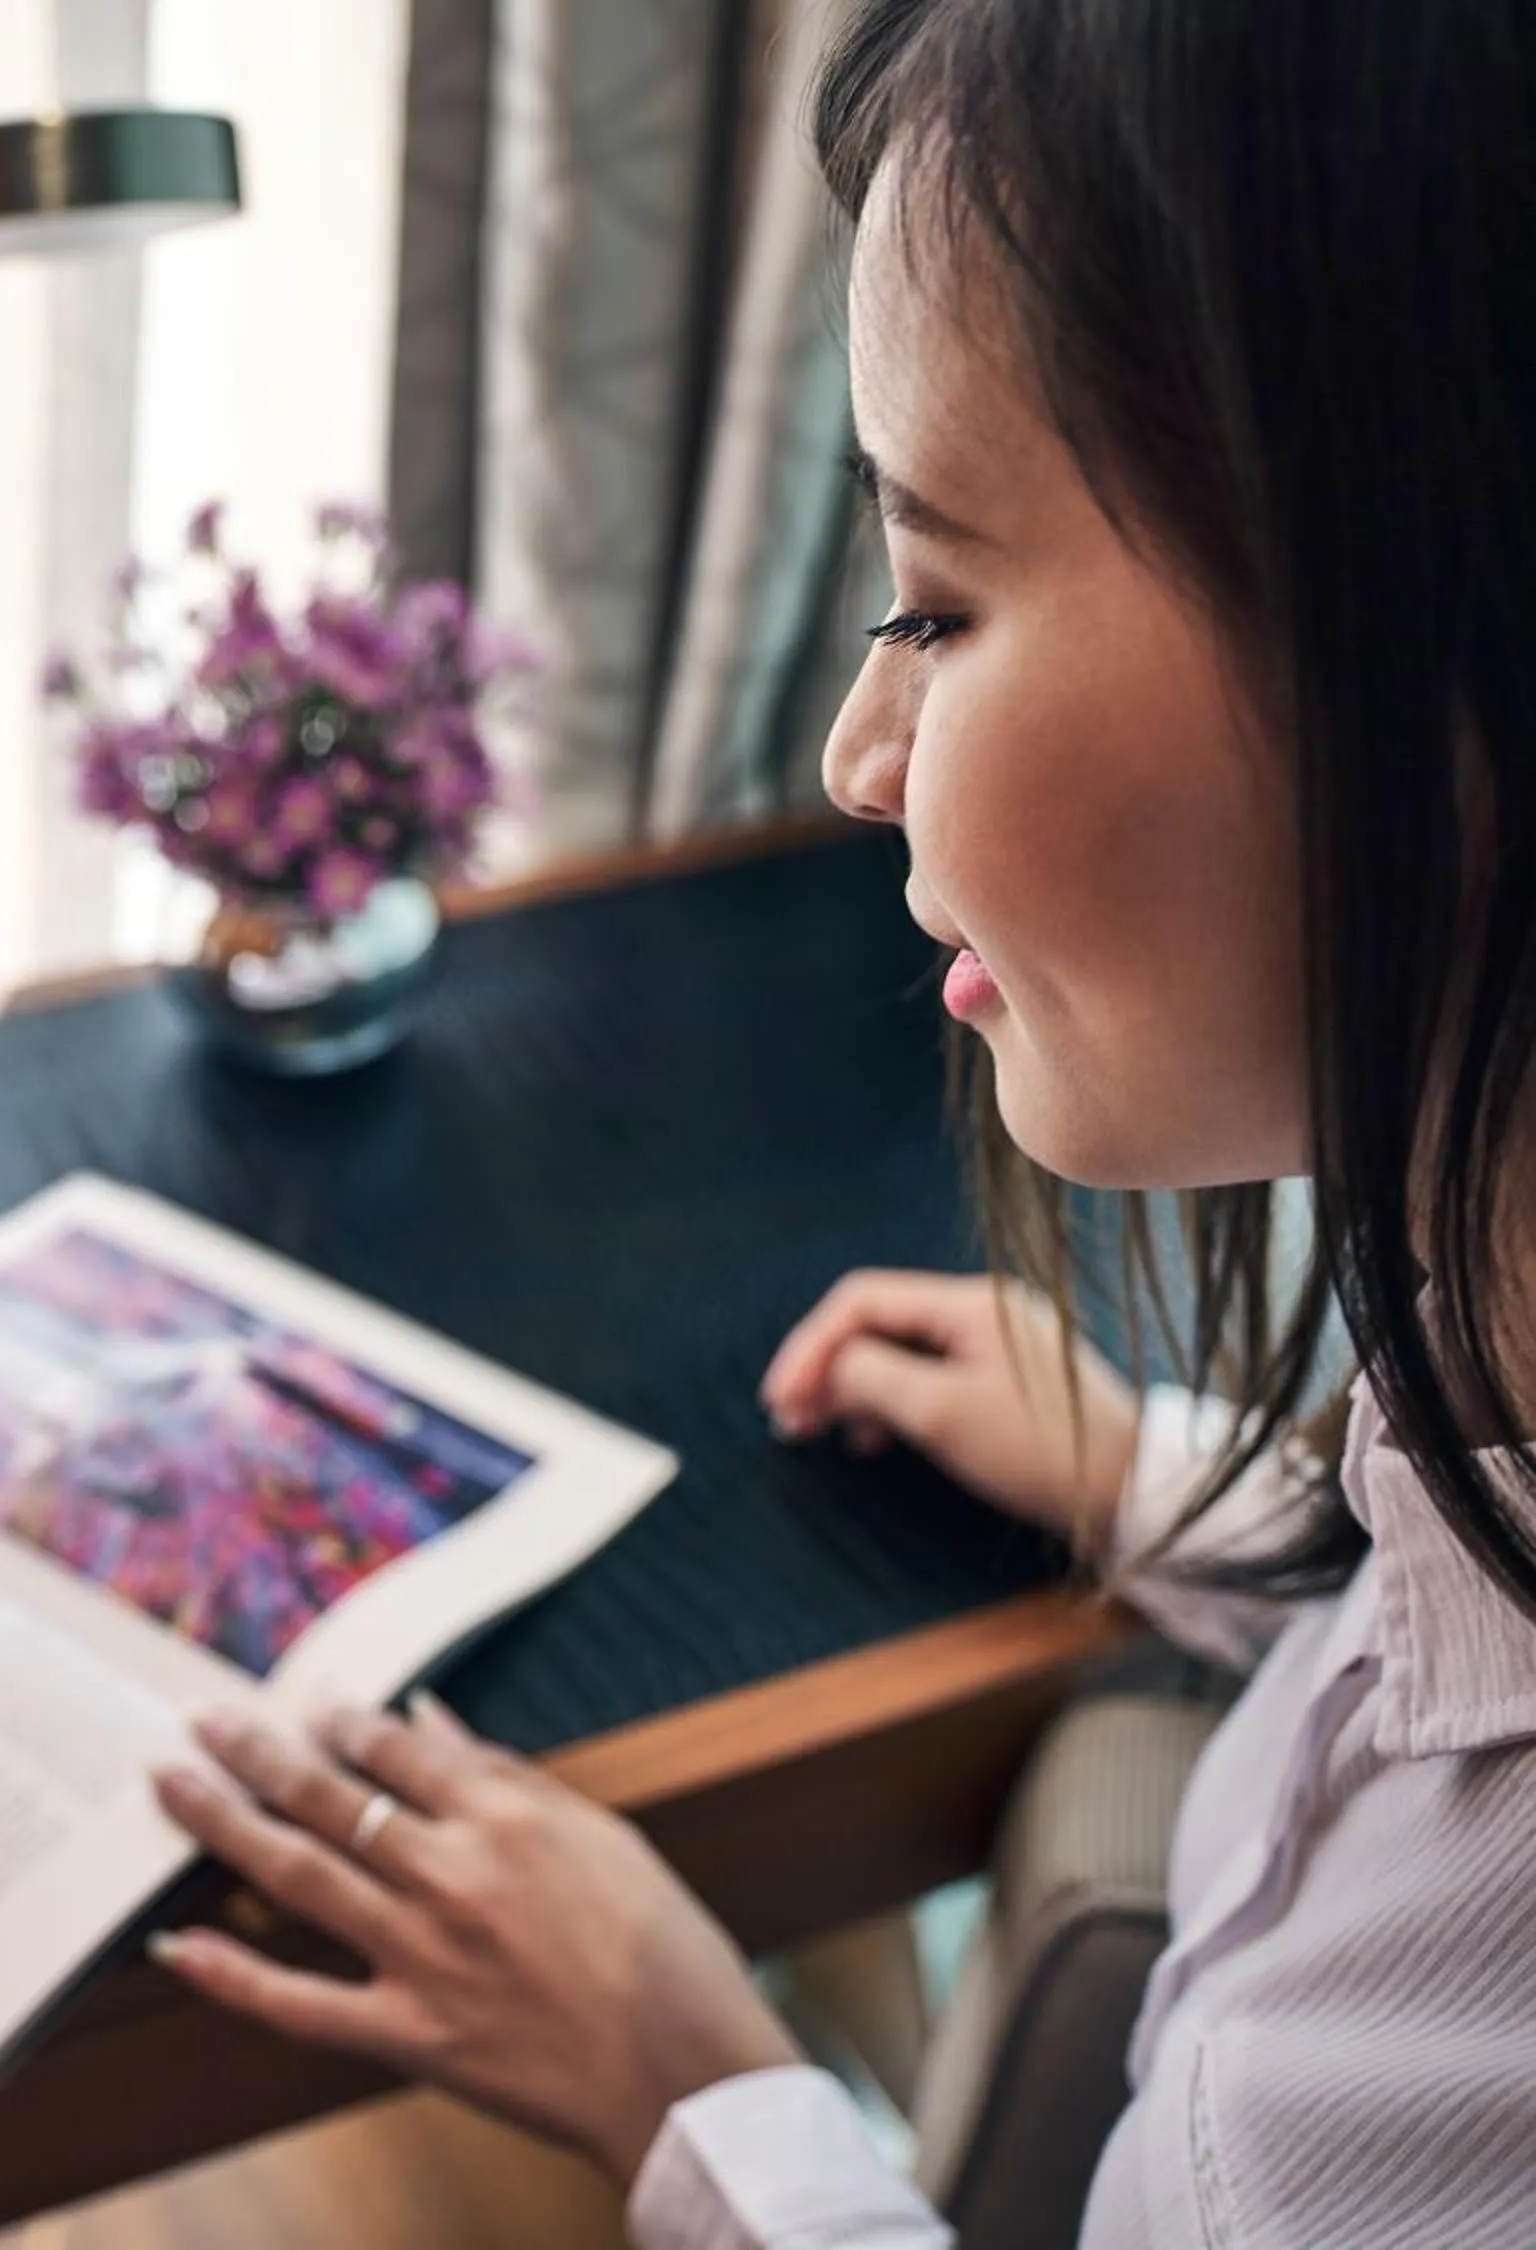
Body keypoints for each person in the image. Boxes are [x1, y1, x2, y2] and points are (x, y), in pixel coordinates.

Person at [140, 0, 1536, 2240]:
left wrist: (689, 2080)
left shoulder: (1397, 2125)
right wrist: (1173, 1478)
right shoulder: (1474, 1341)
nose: (855, 756)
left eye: (939, 602)